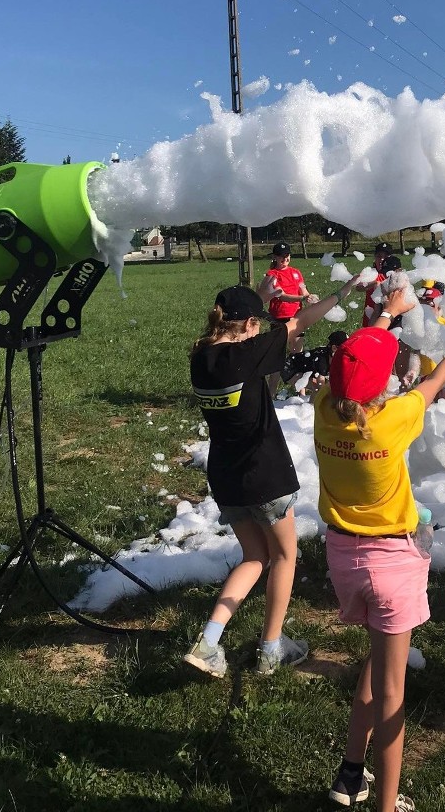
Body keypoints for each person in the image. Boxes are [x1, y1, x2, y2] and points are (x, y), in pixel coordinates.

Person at [314, 284, 445, 812]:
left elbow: (354, 366)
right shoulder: (394, 418)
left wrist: (386, 315)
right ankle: (384, 803)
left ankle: (350, 771)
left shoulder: (323, 410)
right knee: (392, 695)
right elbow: (431, 384)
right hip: (394, 561)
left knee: (377, 663)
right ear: (383, 386)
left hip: (344, 559)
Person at [184, 274, 359, 679]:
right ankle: (271, 647)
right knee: (284, 556)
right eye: (257, 322)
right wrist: (342, 293)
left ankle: (208, 642)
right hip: (264, 475)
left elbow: (239, 328)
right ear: (248, 326)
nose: (261, 329)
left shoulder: (201, 356)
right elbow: (301, 322)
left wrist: (257, 298)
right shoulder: (250, 354)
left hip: (226, 477)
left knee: (255, 556)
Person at [257, 242, 312, 395]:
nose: (285, 258)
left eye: (287, 255)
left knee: (298, 356)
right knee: (277, 360)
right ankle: (271, 396)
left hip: (296, 318)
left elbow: (303, 289)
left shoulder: (296, 272)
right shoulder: (271, 275)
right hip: (279, 319)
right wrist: (302, 298)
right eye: (281, 256)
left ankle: (301, 395)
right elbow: (282, 297)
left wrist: (309, 297)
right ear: (275, 257)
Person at [279, 330, 348, 398]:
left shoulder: (330, 355)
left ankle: (302, 400)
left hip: (302, 368)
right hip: (289, 368)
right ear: (334, 348)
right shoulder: (322, 359)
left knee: (321, 385)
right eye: (345, 351)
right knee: (318, 388)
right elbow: (321, 383)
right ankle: (311, 407)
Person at [361, 242, 394, 326]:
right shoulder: (371, 273)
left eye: (385, 257)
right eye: (379, 256)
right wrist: (374, 283)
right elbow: (359, 287)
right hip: (371, 316)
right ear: (375, 258)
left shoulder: (393, 275)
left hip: (389, 317)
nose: (382, 259)